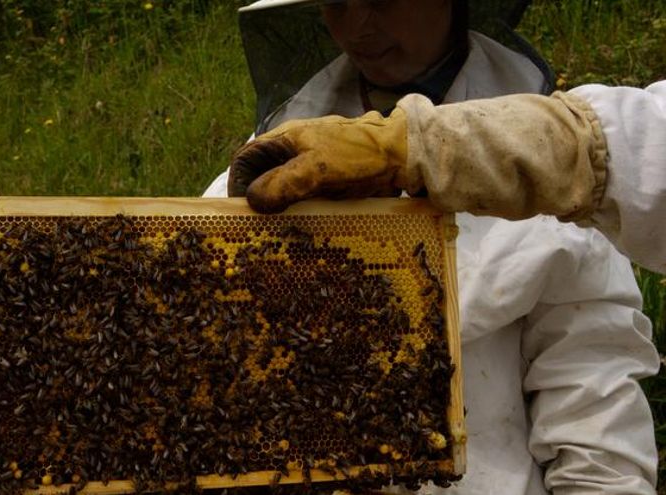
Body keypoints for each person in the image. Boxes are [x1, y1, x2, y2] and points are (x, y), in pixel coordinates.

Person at [203, 0, 660, 493]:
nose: (358, 24)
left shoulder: (560, 168)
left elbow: (591, 387)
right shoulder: (269, 158)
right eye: (335, 2)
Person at [229, 81, 666, 274]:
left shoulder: (570, 226)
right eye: (339, 4)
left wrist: (408, 144)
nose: (361, 23)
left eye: (382, 2)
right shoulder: (282, 147)